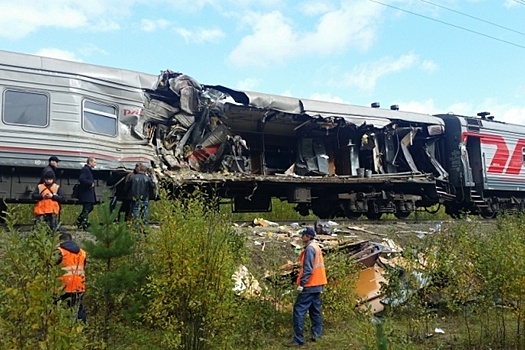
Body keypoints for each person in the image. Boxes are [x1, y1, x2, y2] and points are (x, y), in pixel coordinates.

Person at [286, 227, 327, 347]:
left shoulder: (309, 249)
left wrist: (302, 284)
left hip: (309, 285)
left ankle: (298, 339)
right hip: (318, 284)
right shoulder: (316, 247)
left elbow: (308, 269)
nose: (301, 237)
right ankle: (317, 336)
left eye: (303, 235)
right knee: (315, 311)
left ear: (308, 237)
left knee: (299, 310)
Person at [56, 232, 87, 322]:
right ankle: (82, 330)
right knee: (78, 310)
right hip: (79, 286)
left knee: (59, 310)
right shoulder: (82, 253)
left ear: (61, 241)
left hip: (63, 287)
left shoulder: (59, 251)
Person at [76, 157, 97, 230]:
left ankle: (81, 221)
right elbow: (81, 179)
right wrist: (90, 183)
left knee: (89, 208)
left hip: (88, 193)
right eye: (94, 162)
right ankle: (81, 222)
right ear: (90, 162)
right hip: (86, 193)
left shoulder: (88, 170)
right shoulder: (85, 170)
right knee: (87, 208)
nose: (95, 164)